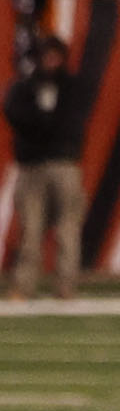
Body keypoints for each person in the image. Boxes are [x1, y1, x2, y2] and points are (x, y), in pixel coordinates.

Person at [4, 30, 86, 300]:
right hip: (32, 166)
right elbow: (15, 114)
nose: (51, 61)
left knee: (67, 229)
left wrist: (42, 127)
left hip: (64, 164)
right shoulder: (25, 87)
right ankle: (23, 286)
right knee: (30, 229)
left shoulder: (72, 88)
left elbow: (69, 123)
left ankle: (65, 287)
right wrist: (43, 126)